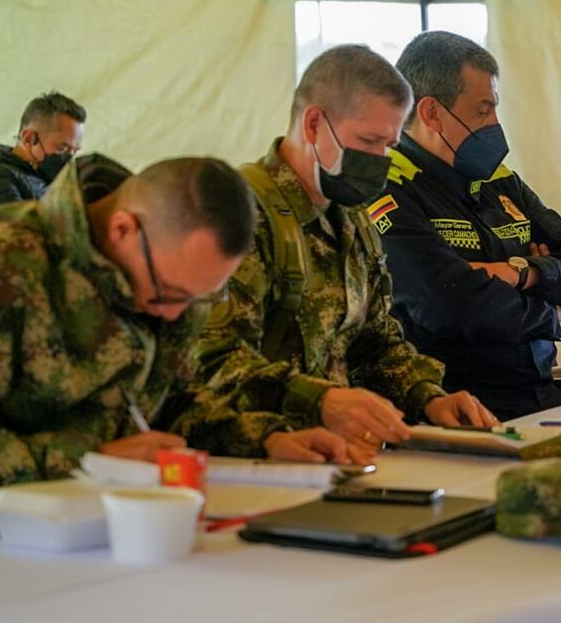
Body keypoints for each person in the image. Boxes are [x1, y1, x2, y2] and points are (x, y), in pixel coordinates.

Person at [0, 155, 349, 565]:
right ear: (123, 229)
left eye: (197, 299)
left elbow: (163, 408)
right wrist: (97, 454)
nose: (174, 316)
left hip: (83, 526)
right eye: (169, 294)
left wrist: (264, 437)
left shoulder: (162, 276)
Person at [193, 44, 497, 460]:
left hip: (338, 456)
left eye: (389, 145)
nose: (380, 161)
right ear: (314, 123)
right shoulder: (241, 216)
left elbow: (373, 341)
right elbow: (209, 361)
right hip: (254, 458)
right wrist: (321, 401)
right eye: (368, 141)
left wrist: (427, 395)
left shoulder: (352, 216)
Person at [374, 31, 561, 420]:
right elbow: (452, 306)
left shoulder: (500, 181)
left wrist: (524, 273)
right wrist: (553, 311)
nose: (494, 124)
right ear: (432, 113)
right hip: (459, 408)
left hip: (539, 393)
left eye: (495, 108)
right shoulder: (391, 191)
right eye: (482, 111)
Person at [0, 91, 86, 217]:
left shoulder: (43, 176)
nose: (69, 158)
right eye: (62, 148)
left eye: (74, 151)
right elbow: (1, 234)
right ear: (29, 139)